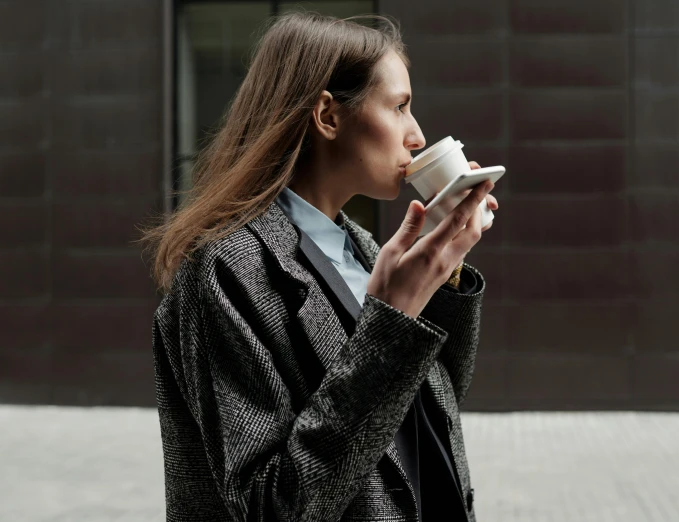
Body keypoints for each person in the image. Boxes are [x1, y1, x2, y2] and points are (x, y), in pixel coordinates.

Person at [143, 11, 499, 522]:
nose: (417, 136)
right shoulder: (224, 270)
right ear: (328, 115)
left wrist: (449, 264)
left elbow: (428, 402)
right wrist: (393, 318)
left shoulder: (362, 247)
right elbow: (275, 507)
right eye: (399, 107)